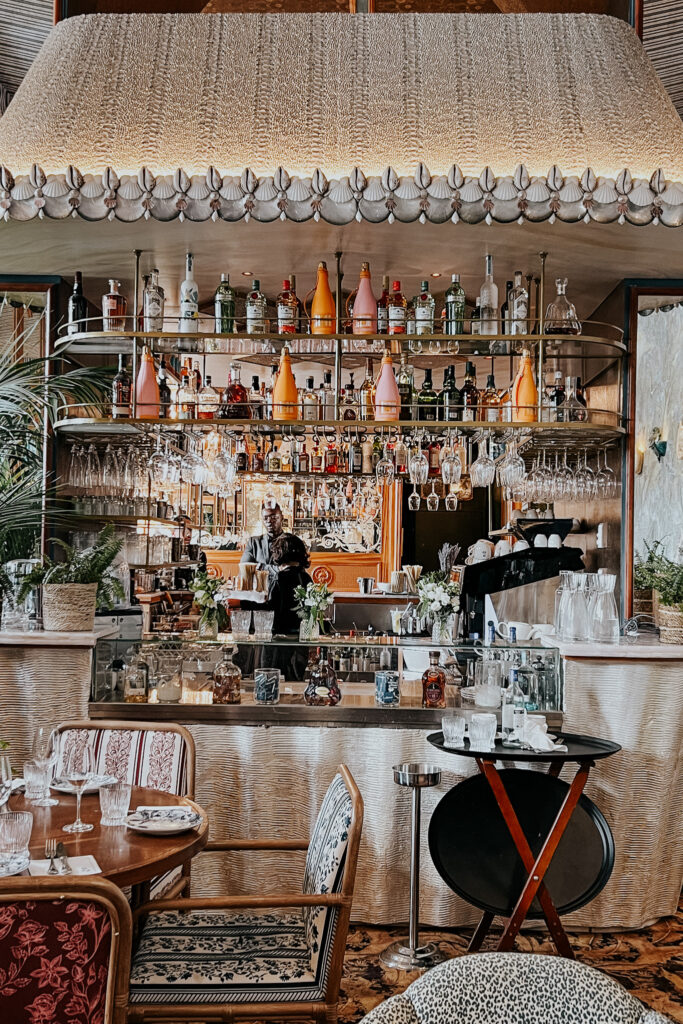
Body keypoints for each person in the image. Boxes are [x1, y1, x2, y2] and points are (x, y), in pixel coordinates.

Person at [268, 533, 312, 634]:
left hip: (279, 637)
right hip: (301, 635)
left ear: (278, 553)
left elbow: (271, 610)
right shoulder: (306, 578)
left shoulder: (279, 578)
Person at [241, 502, 284, 569]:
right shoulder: (254, 542)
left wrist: (261, 567)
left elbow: (294, 571)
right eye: (265, 518)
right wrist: (278, 568)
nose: (269, 521)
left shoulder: (293, 542)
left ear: (282, 518)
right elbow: (245, 568)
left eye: (273, 517)